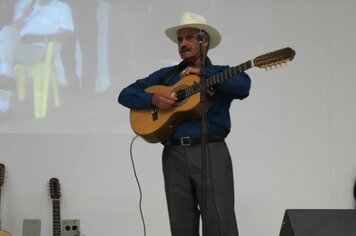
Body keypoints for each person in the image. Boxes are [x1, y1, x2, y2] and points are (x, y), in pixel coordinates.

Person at [118, 12, 251, 236]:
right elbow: (125, 94)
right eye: (180, 39)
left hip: (211, 150)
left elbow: (243, 86)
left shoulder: (220, 73)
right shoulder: (167, 76)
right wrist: (153, 98)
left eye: (189, 37)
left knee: (220, 222)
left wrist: (204, 72)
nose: (183, 43)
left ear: (204, 40)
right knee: (180, 224)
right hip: (174, 154)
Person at [0, 0, 74, 114]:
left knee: (3, 55)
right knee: (5, 31)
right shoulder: (28, 6)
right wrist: (24, 15)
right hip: (18, 46)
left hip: (39, 48)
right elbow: (11, 31)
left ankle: (5, 85)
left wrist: (39, 38)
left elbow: (66, 34)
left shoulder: (62, 7)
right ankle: (5, 79)